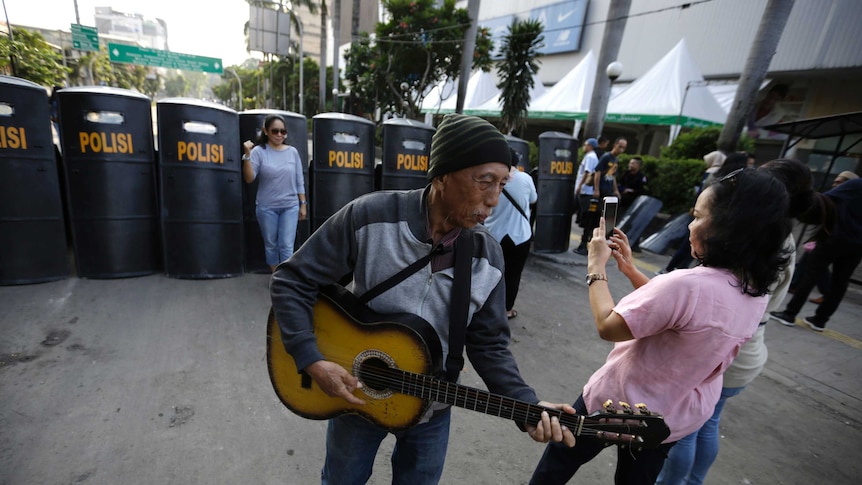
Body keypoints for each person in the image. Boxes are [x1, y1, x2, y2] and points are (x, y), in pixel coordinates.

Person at [270, 114, 575, 485]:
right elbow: (293, 279)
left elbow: (489, 343)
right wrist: (312, 359)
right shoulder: (370, 216)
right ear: (443, 175)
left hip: (433, 405)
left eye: (502, 184)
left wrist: (524, 401)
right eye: (484, 182)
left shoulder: (487, 257)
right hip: (355, 391)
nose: (494, 200)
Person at [529, 168, 791, 485]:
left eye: (697, 216)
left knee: (559, 462)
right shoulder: (754, 290)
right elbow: (679, 315)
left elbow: (609, 326)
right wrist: (631, 270)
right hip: (669, 418)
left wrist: (596, 267)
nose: (691, 225)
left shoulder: (687, 285)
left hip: (615, 402)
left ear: (726, 228)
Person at [656, 158, 822, 485]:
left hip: (725, 354)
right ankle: (694, 481)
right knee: (708, 423)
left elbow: (707, 298)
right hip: (747, 353)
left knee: (682, 431)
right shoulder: (781, 237)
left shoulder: (756, 241)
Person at [771, 176, 862, 331]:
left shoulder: (856, 184)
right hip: (858, 244)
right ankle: (820, 320)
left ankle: (790, 313)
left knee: (811, 274)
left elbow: (825, 198)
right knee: (841, 281)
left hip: (835, 236)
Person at [657, 152, 751, 275]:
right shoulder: (738, 182)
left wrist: (695, 209)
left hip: (702, 213)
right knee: (699, 249)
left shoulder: (714, 175)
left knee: (688, 243)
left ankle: (669, 269)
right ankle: (681, 271)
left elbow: (701, 192)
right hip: (718, 221)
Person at [242, 115, 307, 272]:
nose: (279, 135)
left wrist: (303, 204)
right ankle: (275, 275)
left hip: (290, 206)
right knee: (271, 244)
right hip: (266, 207)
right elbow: (249, 179)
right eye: (275, 131)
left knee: (286, 245)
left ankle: (284, 279)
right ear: (265, 131)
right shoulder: (258, 152)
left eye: (283, 132)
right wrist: (247, 156)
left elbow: (299, 180)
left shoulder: (292, 152)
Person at [484, 157, 538, 319]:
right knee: (513, 274)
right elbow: (533, 200)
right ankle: (507, 310)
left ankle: (484, 307)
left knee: (487, 272)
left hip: (493, 233)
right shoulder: (525, 178)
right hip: (520, 235)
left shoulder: (489, 177)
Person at [573, 138, 601, 255]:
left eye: (585, 145)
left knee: (586, 217)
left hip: (586, 191)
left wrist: (579, 186)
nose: (584, 147)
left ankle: (584, 243)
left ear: (590, 146)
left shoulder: (590, 157)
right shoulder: (592, 156)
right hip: (586, 191)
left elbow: (587, 172)